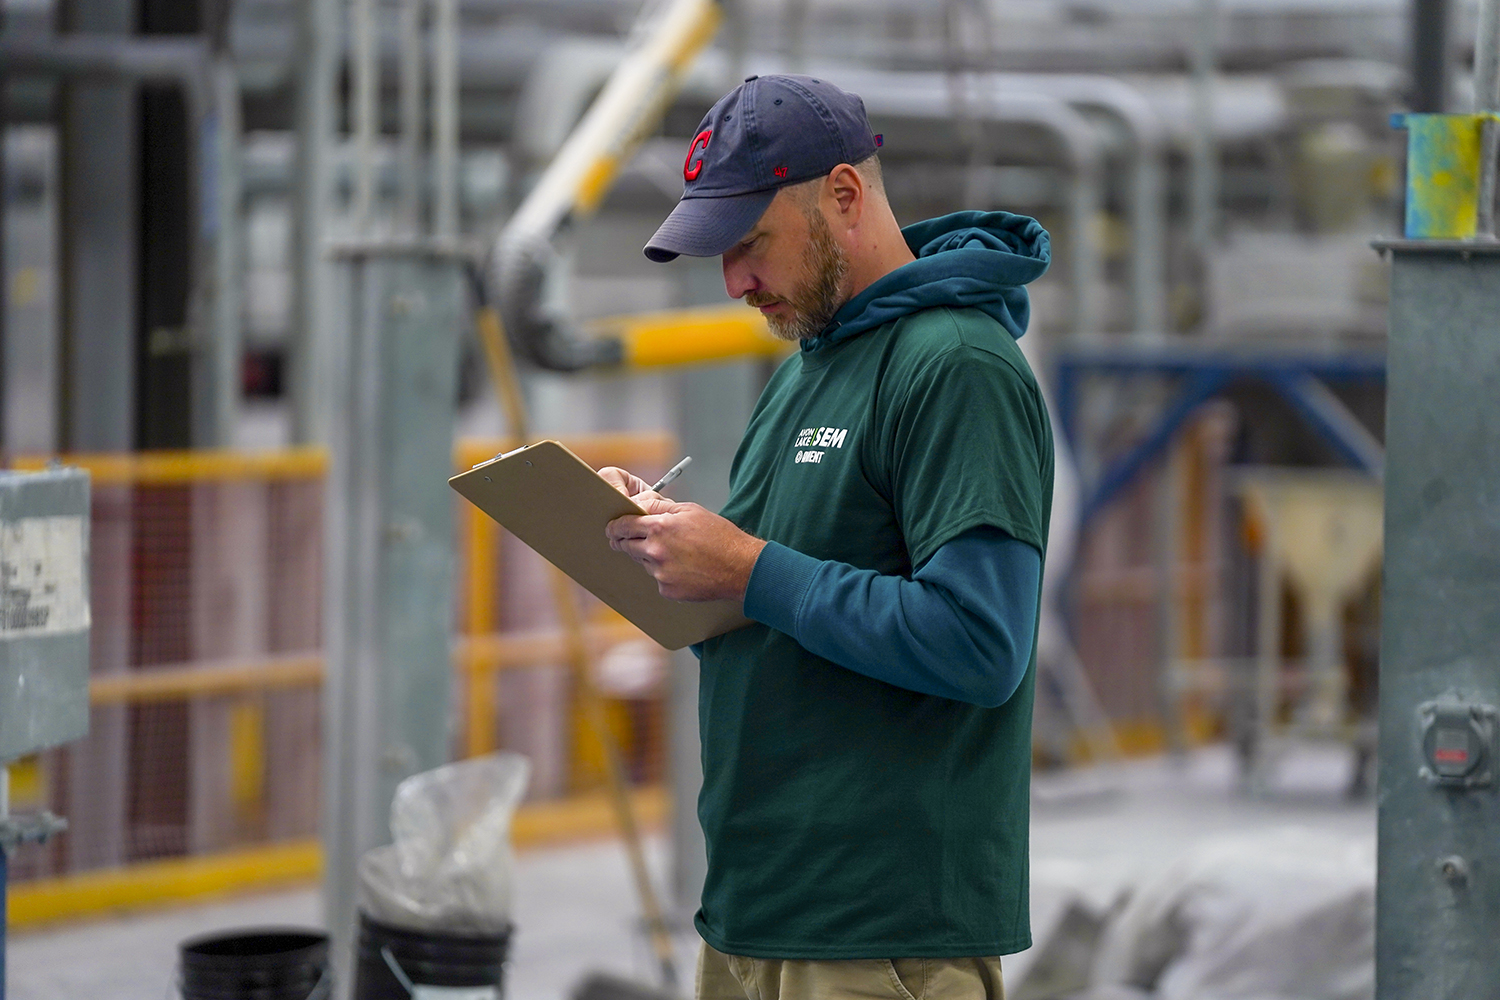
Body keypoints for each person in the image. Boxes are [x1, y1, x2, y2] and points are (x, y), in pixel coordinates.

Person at [601, 74, 1053, 1000]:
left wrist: (748, 564)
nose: (734, 283)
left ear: (844, 196)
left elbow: (980, 642)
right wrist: (676, 547)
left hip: (875, 940)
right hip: (759, 915)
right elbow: (784, 592)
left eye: (749, 244)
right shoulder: (814, 367)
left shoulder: (956, 366)